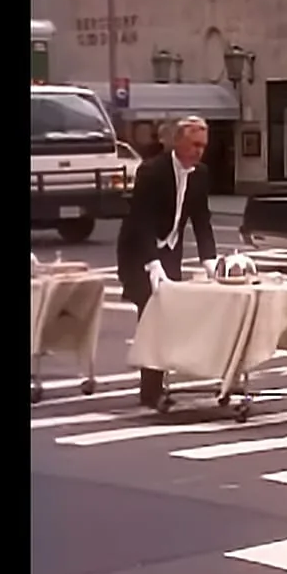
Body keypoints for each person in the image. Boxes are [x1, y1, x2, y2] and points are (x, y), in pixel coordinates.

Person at [116, 116, 220, 409]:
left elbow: (202, 220)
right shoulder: (152, 171)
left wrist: (209, 260)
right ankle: (150, 391)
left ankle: (157, 384)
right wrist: (152, 262)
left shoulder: (200, 174)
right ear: (178, 142)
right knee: (152, 317)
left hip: (170, 252)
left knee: (170, 317)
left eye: (203, 146)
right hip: (138, 252)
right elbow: (141, 221)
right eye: (194, 145)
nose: (199, 151)